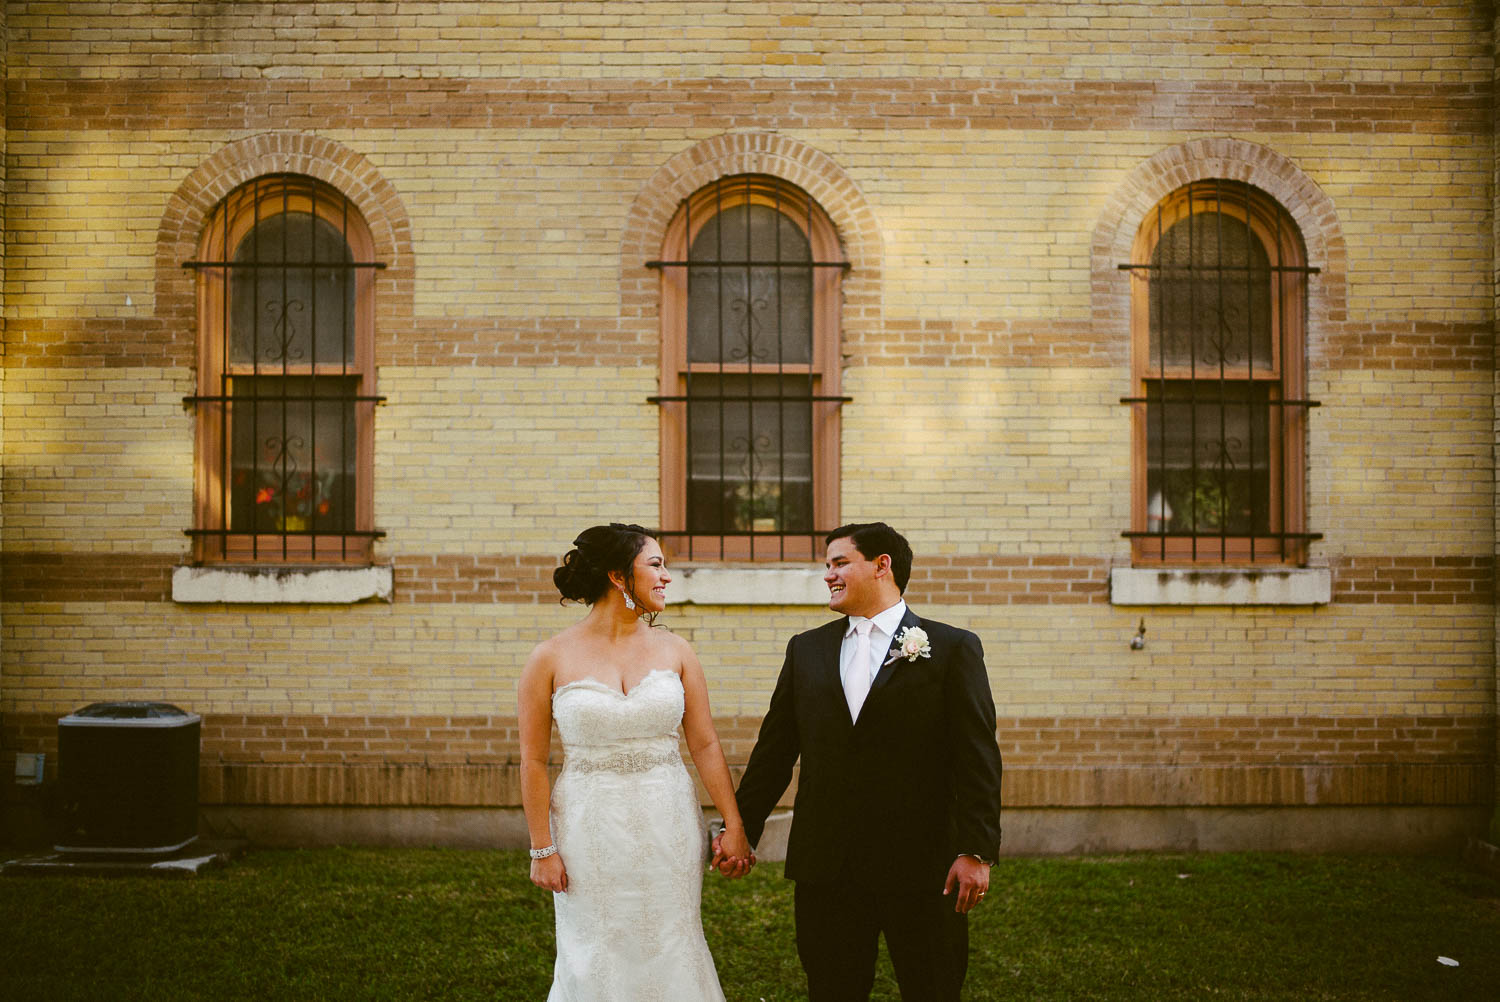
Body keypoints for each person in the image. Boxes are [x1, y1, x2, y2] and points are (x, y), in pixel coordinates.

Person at [717, 521, 1004, 1001]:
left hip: (924, 866)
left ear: (881, 565)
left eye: (839, 562)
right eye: (826, 565)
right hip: (827, 867)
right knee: (831, 990)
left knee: (933, 988)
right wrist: (741, 828)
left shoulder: (953, 647)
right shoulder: (806, 650)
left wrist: (975, 850)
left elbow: (977, 757)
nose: (828, 574)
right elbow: (775, 752)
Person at [519, 523, 754, 1001]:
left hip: (667, 822)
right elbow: (532, 761)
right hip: (588, 827)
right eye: (656, 564)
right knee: (594, 945)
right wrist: (542, 849)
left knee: (672, 940)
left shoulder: (677, 651)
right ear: (617, 576)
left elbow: (705, 745)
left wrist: (733, 823)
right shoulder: (549, 657)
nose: (667, 576)